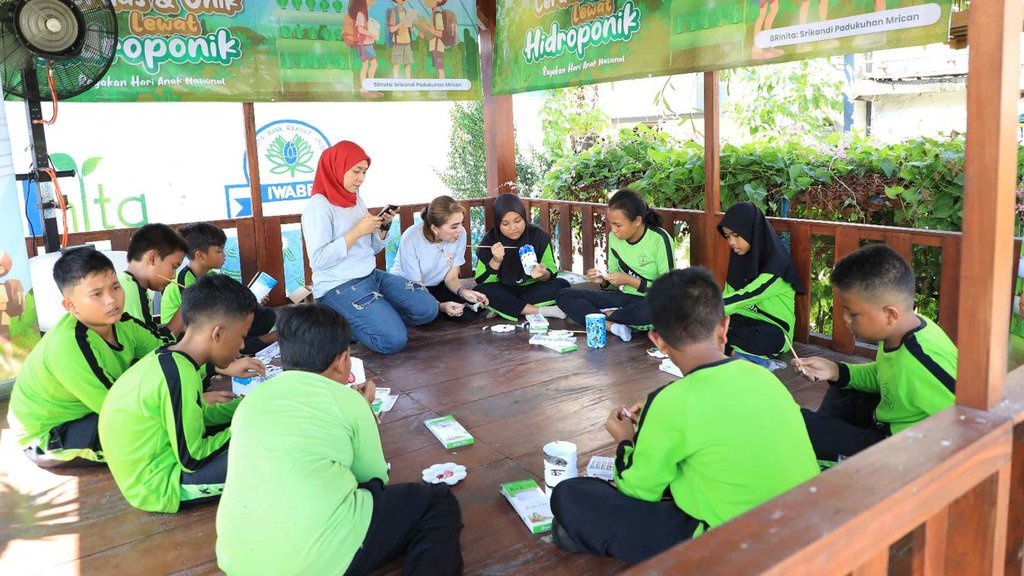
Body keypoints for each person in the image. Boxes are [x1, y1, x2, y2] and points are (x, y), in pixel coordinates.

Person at [550, 268, 818, 564]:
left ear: (657, 340)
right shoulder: (766, 379)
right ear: (724, 326)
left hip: (735, 553)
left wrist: (626, 440)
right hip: (806, 534)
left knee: (570, 495)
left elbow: (636, 491)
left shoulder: (669, 402)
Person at [216, 304, 463, 575]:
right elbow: (374, 480)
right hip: (313, 561)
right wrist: (364, 413)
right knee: (437, 502)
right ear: (342, 359)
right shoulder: (348, 402)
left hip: (236, 558)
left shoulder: (252, 400)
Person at [99, 275, 264, 513]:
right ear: (217, 334)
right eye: (241, 336)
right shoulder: (178, 374)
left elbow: (199, 417)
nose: (241, 346)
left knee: (259, 429)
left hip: (161, 463)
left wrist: (247, 405)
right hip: (161, 484)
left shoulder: (173, 358)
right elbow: (193, 457)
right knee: (269, 449)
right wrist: (245, 423)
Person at [795, 244, 957, 463]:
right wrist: (836, 371)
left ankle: (831, 456)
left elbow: (968, 418)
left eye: (853, 313)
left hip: (894, 453)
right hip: (883, 422)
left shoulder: (923, 362)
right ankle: (828, 448)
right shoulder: (903, 330)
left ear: (890, 314)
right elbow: (885, 374)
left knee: (799, 423)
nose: (845, 319)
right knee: (843, 387)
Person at [7, 247, 167, 467]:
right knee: (153, 436)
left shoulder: (125, 325)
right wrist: (179, 404)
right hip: (50, 434)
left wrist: (217, 367)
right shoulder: (67, 346)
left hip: (95, 410)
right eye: (97, 294)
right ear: (70, 305)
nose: (112, 300)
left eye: (115, 287)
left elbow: (169, 356)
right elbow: (117, 410)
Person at [301, 141, 438, 354]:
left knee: (428, 309)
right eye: (356, 171)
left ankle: (373, 318)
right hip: (338, 286)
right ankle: (339, 321)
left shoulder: (356, 199)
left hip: (371, 276)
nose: (361, 178)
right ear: (337, 167)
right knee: (393, 341)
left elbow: (371, 249)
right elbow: (318, 260)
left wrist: (383, 227)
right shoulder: (318, 206)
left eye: (364, 172)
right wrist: (357, 231)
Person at [556, 189, 674, 342]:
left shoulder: (659, 239)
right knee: (564, 295)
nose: (614, 230)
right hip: (624, 298)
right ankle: (612, 324)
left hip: (652, 301)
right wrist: (603, 280)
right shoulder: (614, 238)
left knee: (660, 309)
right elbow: (614, 282)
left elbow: (669, 291)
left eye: (618, 225)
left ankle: (607, 316)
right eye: (611, 224)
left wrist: (630, 280)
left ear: (637, 221)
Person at [162, 222, 278, 354]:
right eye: (219, 251)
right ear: (200, 256)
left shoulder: (211, 275)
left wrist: (250, 304)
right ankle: (261, 341)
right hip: (186, 333)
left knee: (266, 315)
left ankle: (247, 343)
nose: (224, 256)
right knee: (230, 329)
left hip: (212, 321)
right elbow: (202, 320)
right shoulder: (185, 280)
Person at [717, 202, 803, 359]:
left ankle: (724, 347)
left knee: (766, 339)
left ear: (752, 232)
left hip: (773, 328)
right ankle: (727, 347)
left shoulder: (778, 264)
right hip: (742, 320)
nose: (731, 242)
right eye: (728, 236)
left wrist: (707, 308)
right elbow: (728, 295)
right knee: (714, 327)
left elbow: (748, 294)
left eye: (736, 235)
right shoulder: (738, 259)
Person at [392, 195, 489, 322]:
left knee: (468, 312)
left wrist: (463, 291)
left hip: (436, 285)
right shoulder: (411, 239)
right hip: (409, 288)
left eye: (461, 223)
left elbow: (451, 277)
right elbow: (417, 285)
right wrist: (440, 306)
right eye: (454, 226)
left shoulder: (460, 234)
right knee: (427, 313)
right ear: (435, 228)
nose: (460, 230)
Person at [473, 194, 569, 321]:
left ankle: (504, 308)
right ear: (497, 223)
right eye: (505, 224)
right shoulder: (490, 240)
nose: (513, 228)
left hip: (532, 288)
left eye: (517, 221)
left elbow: (551, 271)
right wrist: (496, 260)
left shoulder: (538, 236)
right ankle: (541, 310)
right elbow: (481, 279)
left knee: (562, 285)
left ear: (524, 217)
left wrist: (542, 273)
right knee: (481, 291)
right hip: (504, 288)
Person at [119, 223, 188, 340]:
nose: (173, 276)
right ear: (152, 258)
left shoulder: (127, 282)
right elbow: (154, 348)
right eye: (174, 266)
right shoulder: (132, 291)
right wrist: (186, 305)